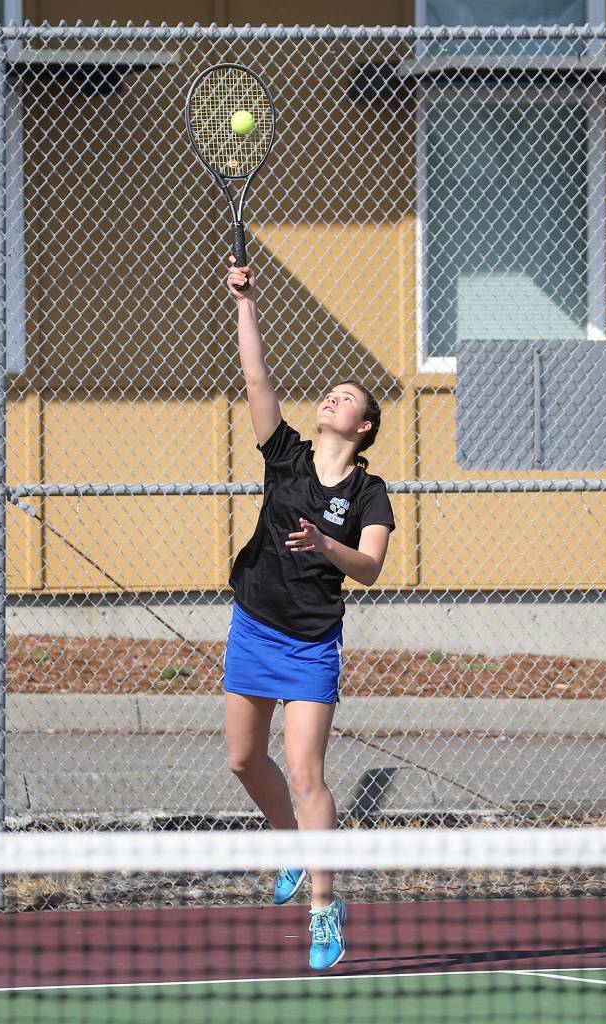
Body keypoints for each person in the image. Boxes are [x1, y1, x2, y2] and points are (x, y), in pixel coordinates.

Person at [224, 257, 395, 971]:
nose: (330, 400)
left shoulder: (370, 494)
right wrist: (245, 303)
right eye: (327, 394)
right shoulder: (286, 456)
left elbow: (371, 567)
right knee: (240, 758)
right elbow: (257, 380)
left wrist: (327, 544)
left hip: (311, 642)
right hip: (255, 622)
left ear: (363, 426)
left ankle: (324, 908)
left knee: (304, 770)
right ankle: (293, 843)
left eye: (344, 398)